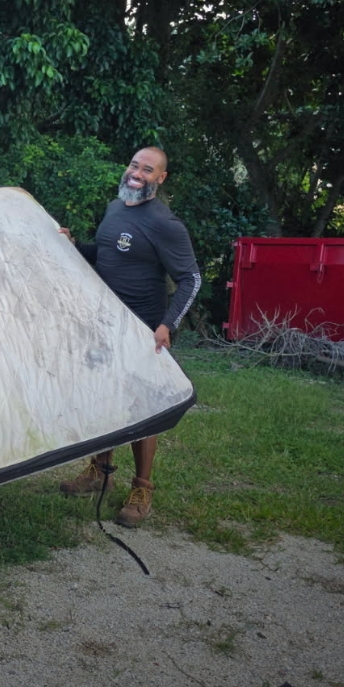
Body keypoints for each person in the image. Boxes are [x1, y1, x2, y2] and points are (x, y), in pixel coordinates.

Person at [58, 147, 200, 527]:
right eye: (135, 165)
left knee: (144, 410)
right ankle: (99, 470)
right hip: (105, 323)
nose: (138, 173)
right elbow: (104, 255)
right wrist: (75, 247)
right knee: (103, 399)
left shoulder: (165, 224)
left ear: (161, 178)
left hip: (143, 328)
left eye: (148, 169)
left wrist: (167, 325)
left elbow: (191, 279)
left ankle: (142, 488)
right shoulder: (115, 207)